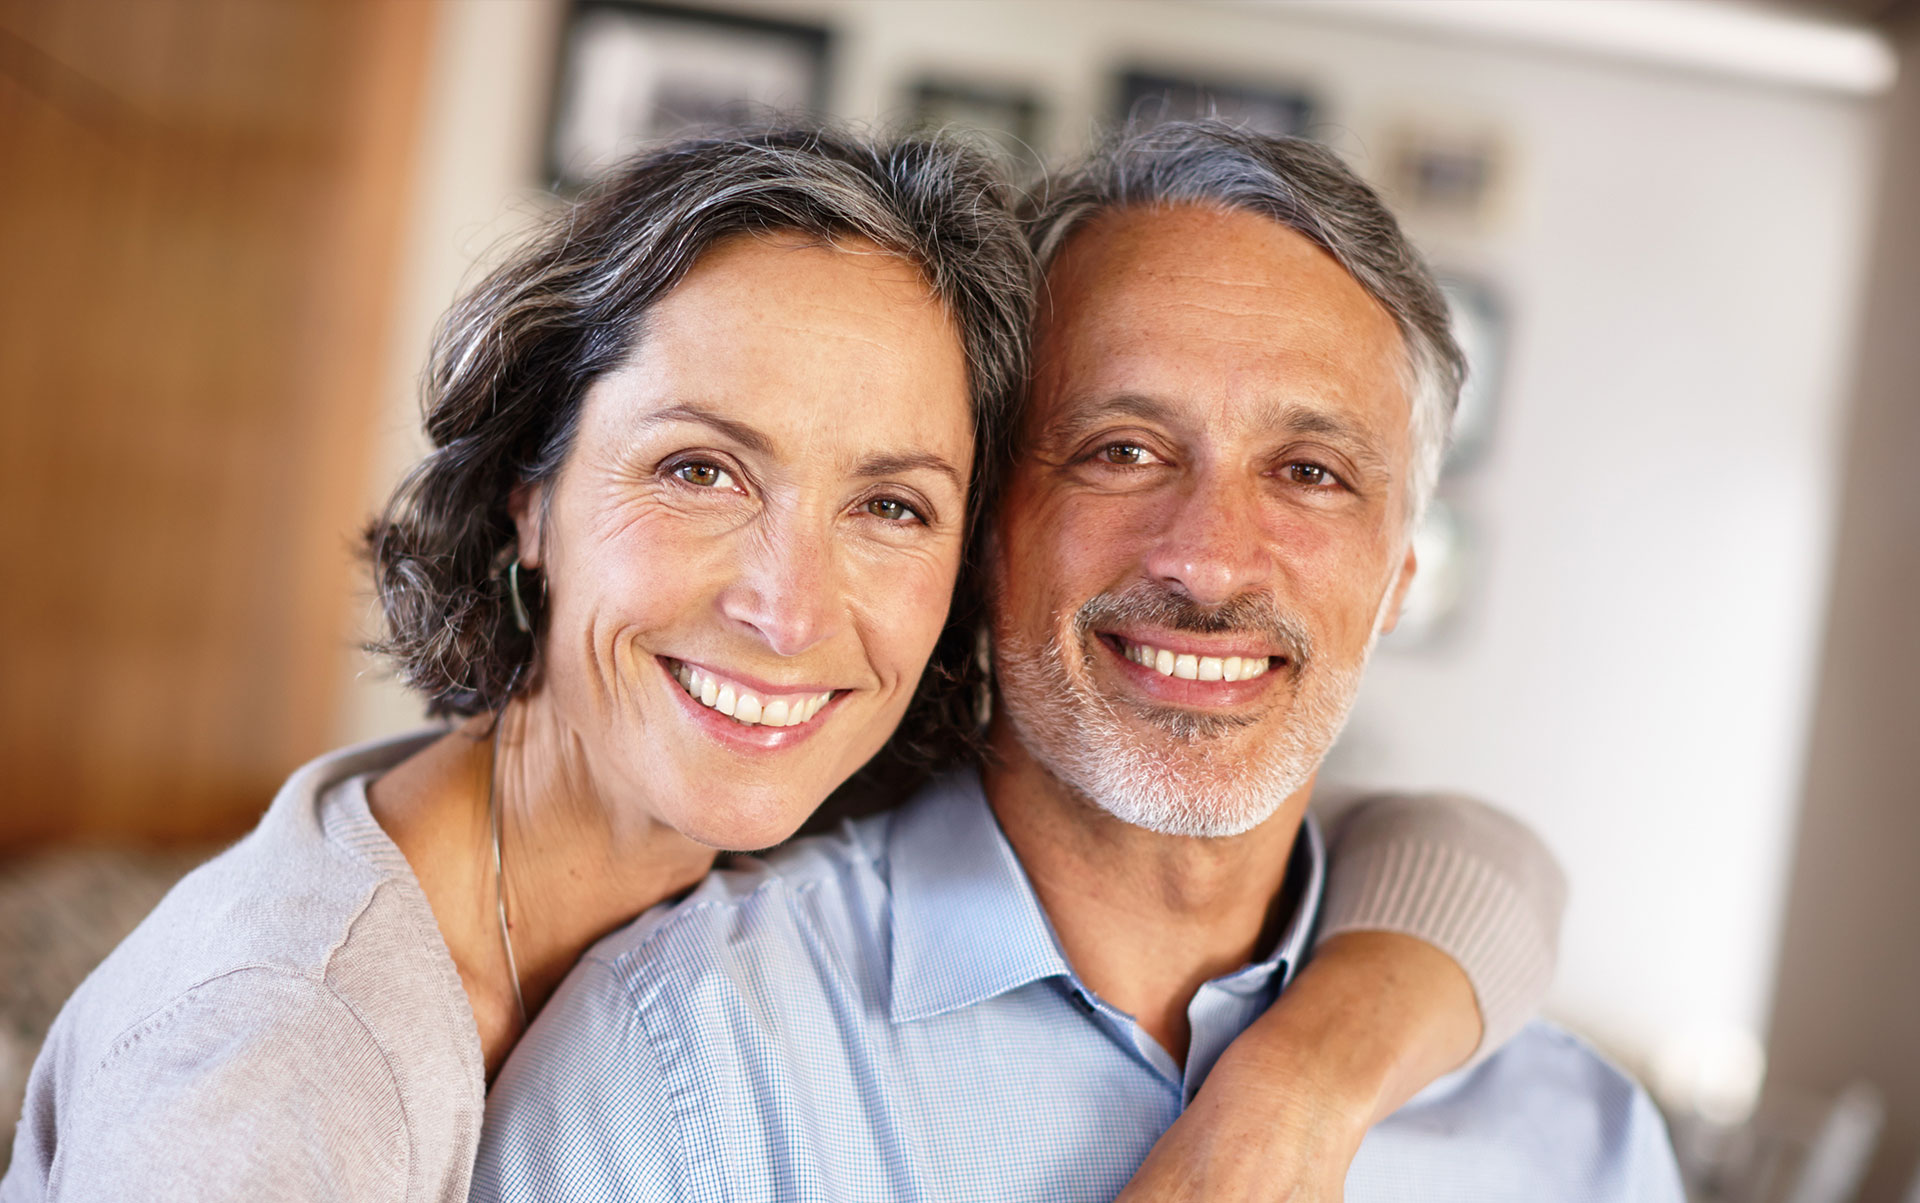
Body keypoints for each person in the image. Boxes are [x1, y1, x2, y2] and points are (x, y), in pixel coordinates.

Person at [6, 128, 1558, 1203]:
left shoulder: (773, 790)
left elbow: (1458, 852)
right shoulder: (291, 1063)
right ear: (530, 490)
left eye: (888, 503)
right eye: (700, 470)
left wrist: (1293, 1091)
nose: (786, 602)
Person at [472, 122, 1684, 1203]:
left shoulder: (1577, 1145)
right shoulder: (683, 1073)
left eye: (1309, 473)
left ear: (1395, 588)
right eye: (1122, 450)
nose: (1209, 564)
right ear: (984, 532)